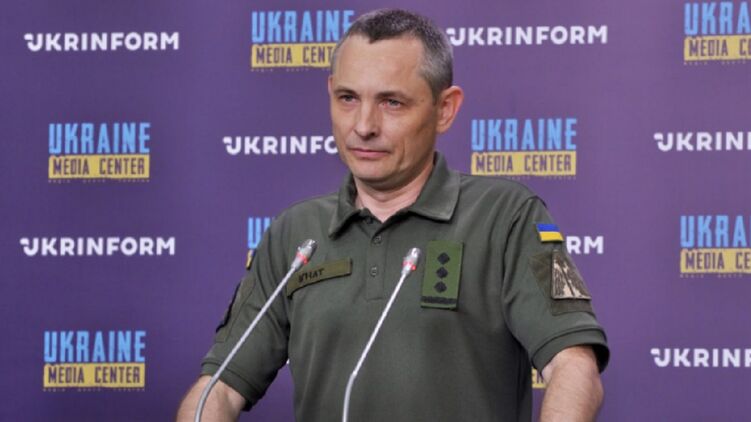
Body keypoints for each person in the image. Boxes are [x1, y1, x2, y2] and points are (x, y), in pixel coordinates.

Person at [177, 8, 608, 422]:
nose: (364, 125)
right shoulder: (294, 234)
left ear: (445, 109)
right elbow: (219, 389)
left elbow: (573, 366)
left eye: (392, 103)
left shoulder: (505, 216)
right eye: (348, 98)